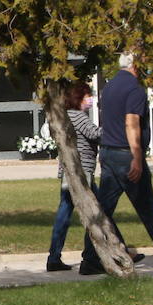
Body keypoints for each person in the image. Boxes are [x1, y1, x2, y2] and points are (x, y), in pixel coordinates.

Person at [77, 54, 153, 275]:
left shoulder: (110, 86)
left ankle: (90, 258)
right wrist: (137, 156)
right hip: (126, 154)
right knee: (147, 207)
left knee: (104, 210)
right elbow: (131, 122)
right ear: (137, 65)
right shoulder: (134, 89)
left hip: (108, 152)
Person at [46, 83, 100, 271]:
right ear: (78, 98)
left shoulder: (66, 116)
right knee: (97, 211)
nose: (90, 100)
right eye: (87, 96)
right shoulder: (78, 116)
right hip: (81, 172)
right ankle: (91, 256)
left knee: (66, 212)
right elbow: (95, 134)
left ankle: (55, 256)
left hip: (70, 172)